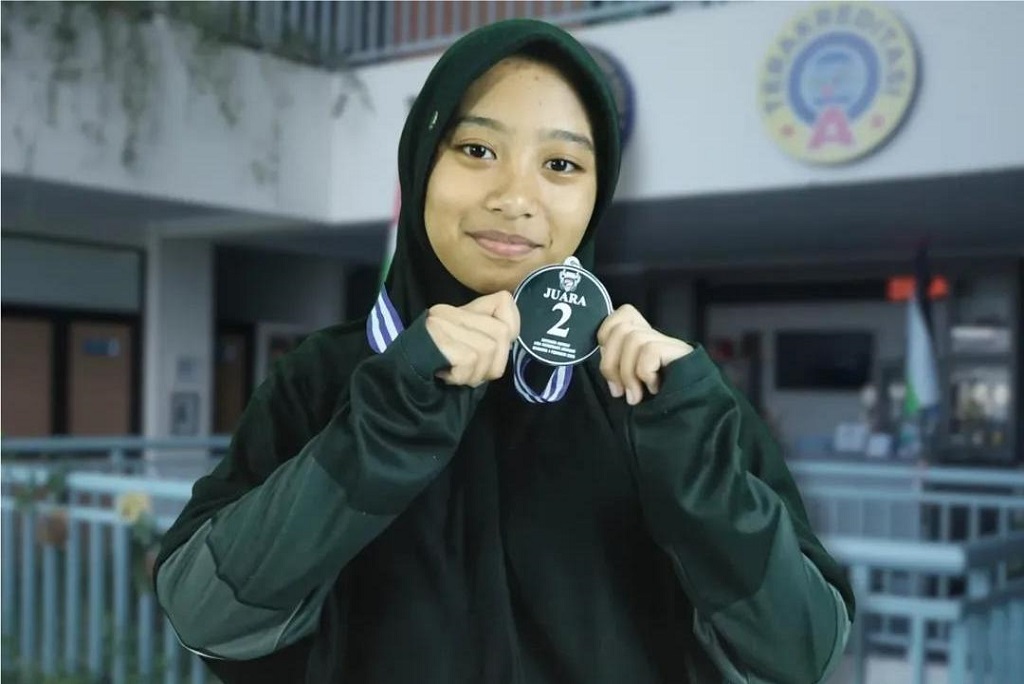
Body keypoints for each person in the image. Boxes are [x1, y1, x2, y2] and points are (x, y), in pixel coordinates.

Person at [154, 19, 854, 684]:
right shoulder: (327, 377)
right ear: (421, 164)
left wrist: (694, 466)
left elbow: (801, 654)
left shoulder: (668, 397)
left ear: (598, 195)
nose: (516, 197)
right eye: (477, 150)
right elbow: (205, 616)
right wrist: (383, 431)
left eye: (561, 164)